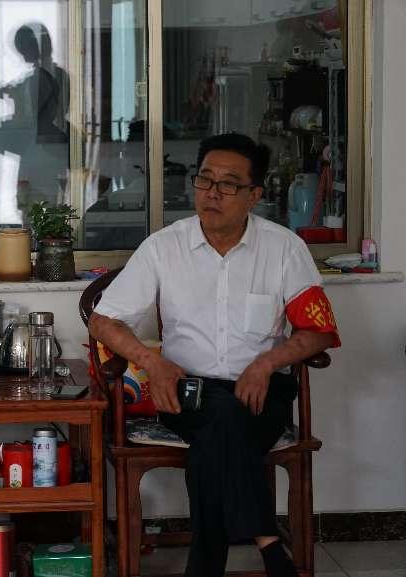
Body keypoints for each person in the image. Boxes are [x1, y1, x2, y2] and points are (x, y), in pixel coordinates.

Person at [89, 133, 339, 577]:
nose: (212, 193)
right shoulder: (163, 247)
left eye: (228, 184)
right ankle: (269, 547)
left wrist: (265, 363)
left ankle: (214, 564)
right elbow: (103, 321)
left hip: (261, 396)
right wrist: (153, 363)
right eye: (205, 180)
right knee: (221, 417)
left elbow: (319, 331)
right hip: (185, 393)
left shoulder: (284, 248)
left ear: (254, 195)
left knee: (217, 435)